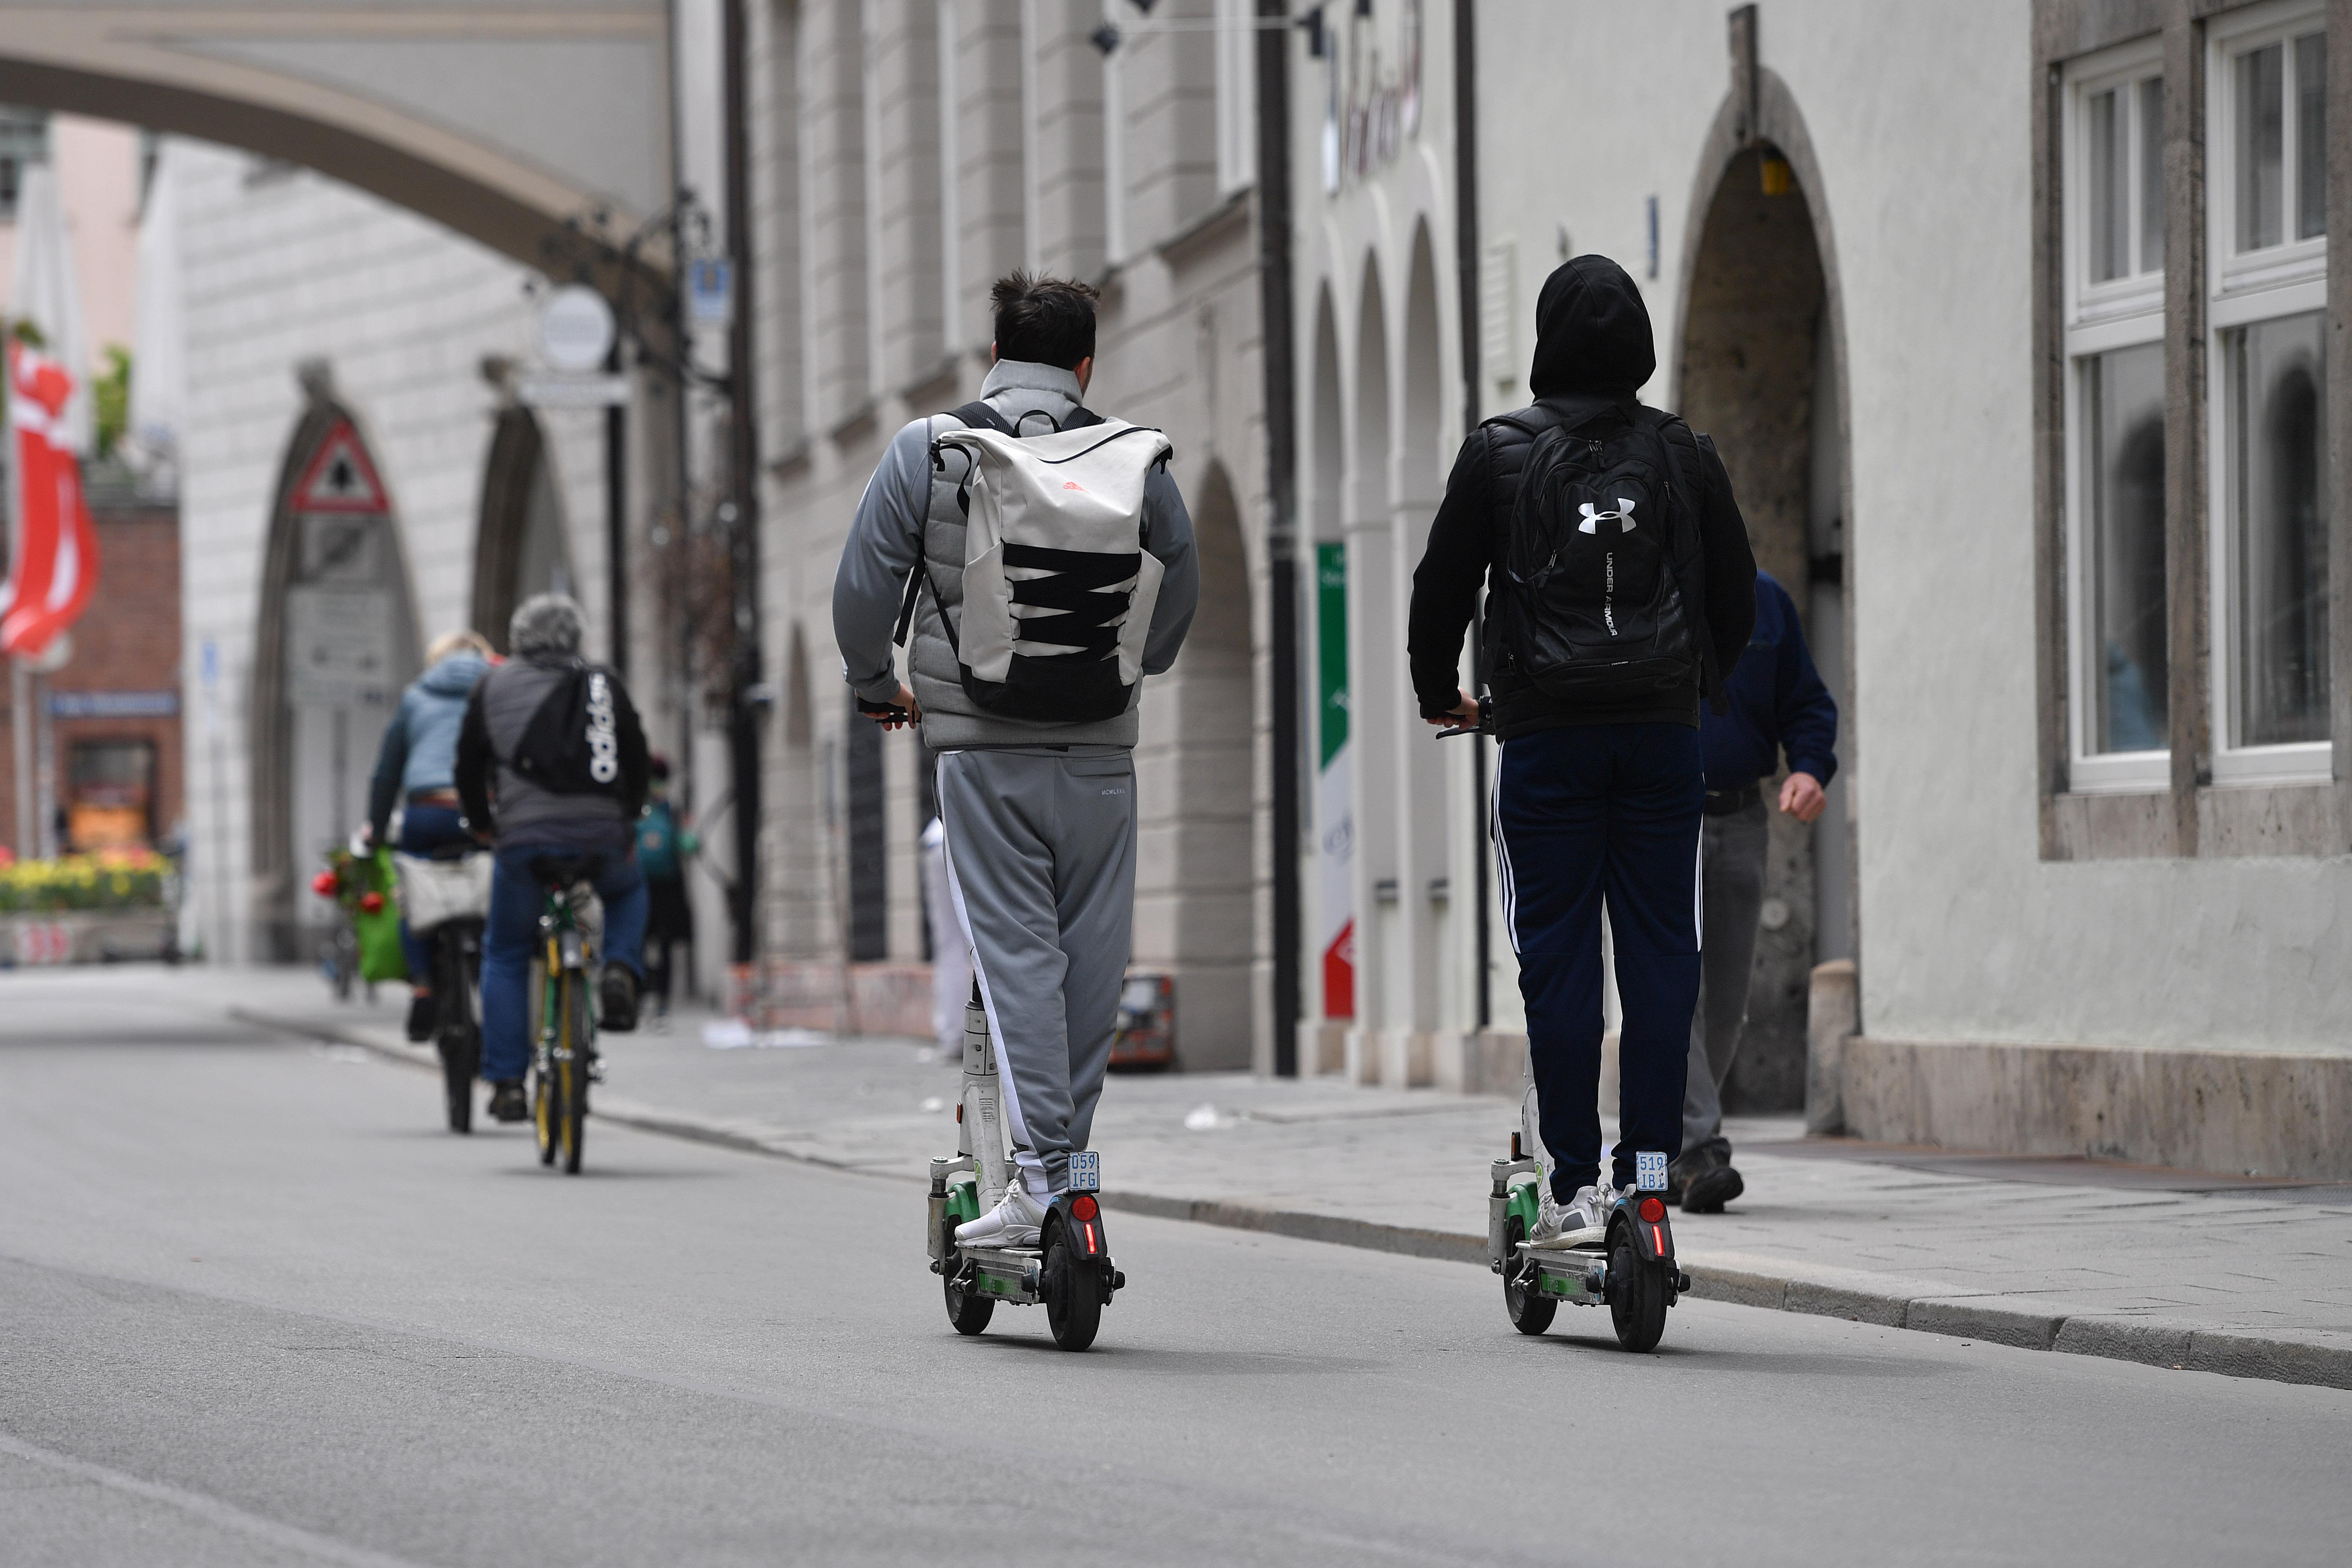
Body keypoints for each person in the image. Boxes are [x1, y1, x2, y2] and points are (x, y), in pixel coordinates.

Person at [832, 271, 1198, 1246]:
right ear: (1085, 364)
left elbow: (863, 588)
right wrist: (1133, 666)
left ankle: (1040, 1185)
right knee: (1090, 965)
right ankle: (1066, 1169)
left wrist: (876, 682)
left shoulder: (932, 448)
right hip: (1100, 756)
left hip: (982, 754)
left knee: (1017, 961)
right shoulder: (1136, 460)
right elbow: (1179, 597)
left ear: (992, 355)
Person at [1407, 254, 1756, 1239]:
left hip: (1545, 743)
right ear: (1639, 346)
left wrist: (1445, 694)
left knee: (1555, 964)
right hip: (1658, 742)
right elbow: (1735, 593)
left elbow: (1440, 590)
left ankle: (1568, 1182)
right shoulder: (1686, 453)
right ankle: (1648, 1174)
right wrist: (1698, 687)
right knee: (1660, 960)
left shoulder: (1497, 452)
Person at [1671, 569, 1837, 1212]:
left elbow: (1807, 703)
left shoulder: (1766, 599)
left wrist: (1810, 768)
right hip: (1662, 817)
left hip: (1743, 817)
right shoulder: (1643, 589)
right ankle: (1699, 1145)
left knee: (1728, 1001)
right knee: (1674, 986)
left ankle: (1673, 1144)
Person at [454, 593, 651, 1123]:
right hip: (601, 836)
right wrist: (628, 817)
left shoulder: (492, 685)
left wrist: (483, 824)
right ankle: (620, 970)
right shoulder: (603, 682)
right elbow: (634, 753)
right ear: (575, 637)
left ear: (518, 638)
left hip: (522, 841)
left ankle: (507, 1084)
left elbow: (468, 765)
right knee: (629, 890)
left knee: (507, 951)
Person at [364, 629, 493, 1041]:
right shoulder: (496, 693)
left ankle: (423, 983)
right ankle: (489, 970)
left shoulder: (416, 697)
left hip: (427, 811)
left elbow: (387, 775)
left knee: (413, 893)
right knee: (497, 887)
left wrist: (377, 831)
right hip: (480, 812)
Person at [635, 755, 697, 1022]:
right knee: (666, 944)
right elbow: (687, 844)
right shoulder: (671, 808)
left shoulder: (637, 805)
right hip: (669, 886)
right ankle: (662, 999)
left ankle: (639, 994)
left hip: (640, 884)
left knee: (638, 941)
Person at [919, 814, 970, 1061]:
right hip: (967, 838)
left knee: (951, 944)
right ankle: (957, 1035)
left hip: (941, 838)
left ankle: (953, 1034)